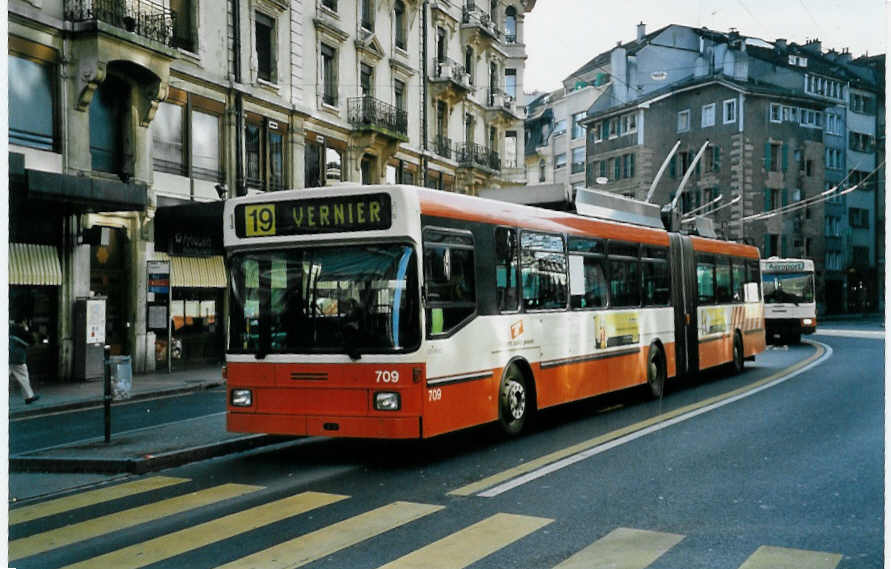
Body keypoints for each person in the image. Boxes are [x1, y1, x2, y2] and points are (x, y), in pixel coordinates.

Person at [9, 320, 39, 404]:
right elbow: (32, 341)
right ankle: (29, 397)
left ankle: (29, 396)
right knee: (23, 377)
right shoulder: (20, 329)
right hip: (17, 357)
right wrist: (26, 330)